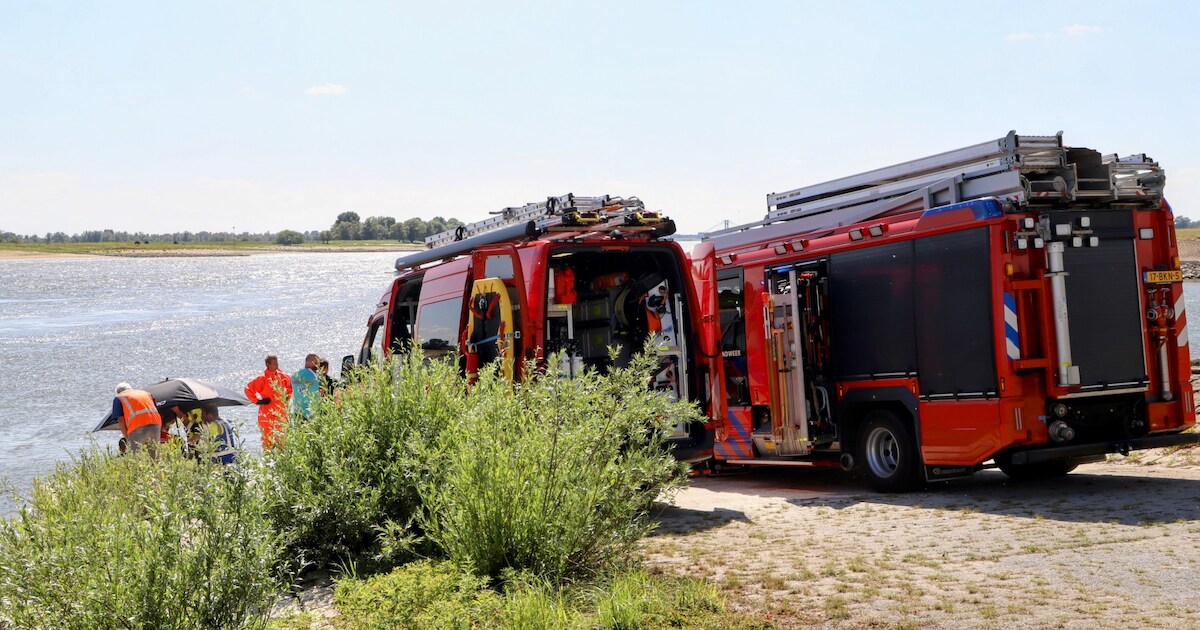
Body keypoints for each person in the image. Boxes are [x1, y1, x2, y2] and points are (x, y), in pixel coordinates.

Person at [244, 354, 292, 448]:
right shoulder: (262, 378)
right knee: (267, 439)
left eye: (277, 362)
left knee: (283, 439)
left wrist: (287, 397)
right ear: (268, 364)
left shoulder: (283, 376)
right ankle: (267, 460)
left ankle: (283, 460)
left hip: (281, 412)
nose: (277, 365)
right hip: (267, 412)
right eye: (274, 363)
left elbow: (290, 387)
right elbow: (248, 389)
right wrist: (258, 401)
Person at [112, 382, 162, 454]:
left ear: (118, 392)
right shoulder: (146, 393)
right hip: (156, 425)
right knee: (154, 456)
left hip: (137, 427)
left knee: (135, 457)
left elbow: (121, 421)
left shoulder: (119, 398)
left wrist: (127, 438)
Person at [291, 353, 321, 420]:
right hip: (312, 412)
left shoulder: (294, 375)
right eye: (317, 363)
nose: (318, 366)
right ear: (313, 362)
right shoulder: (316, 375)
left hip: (297, 413)